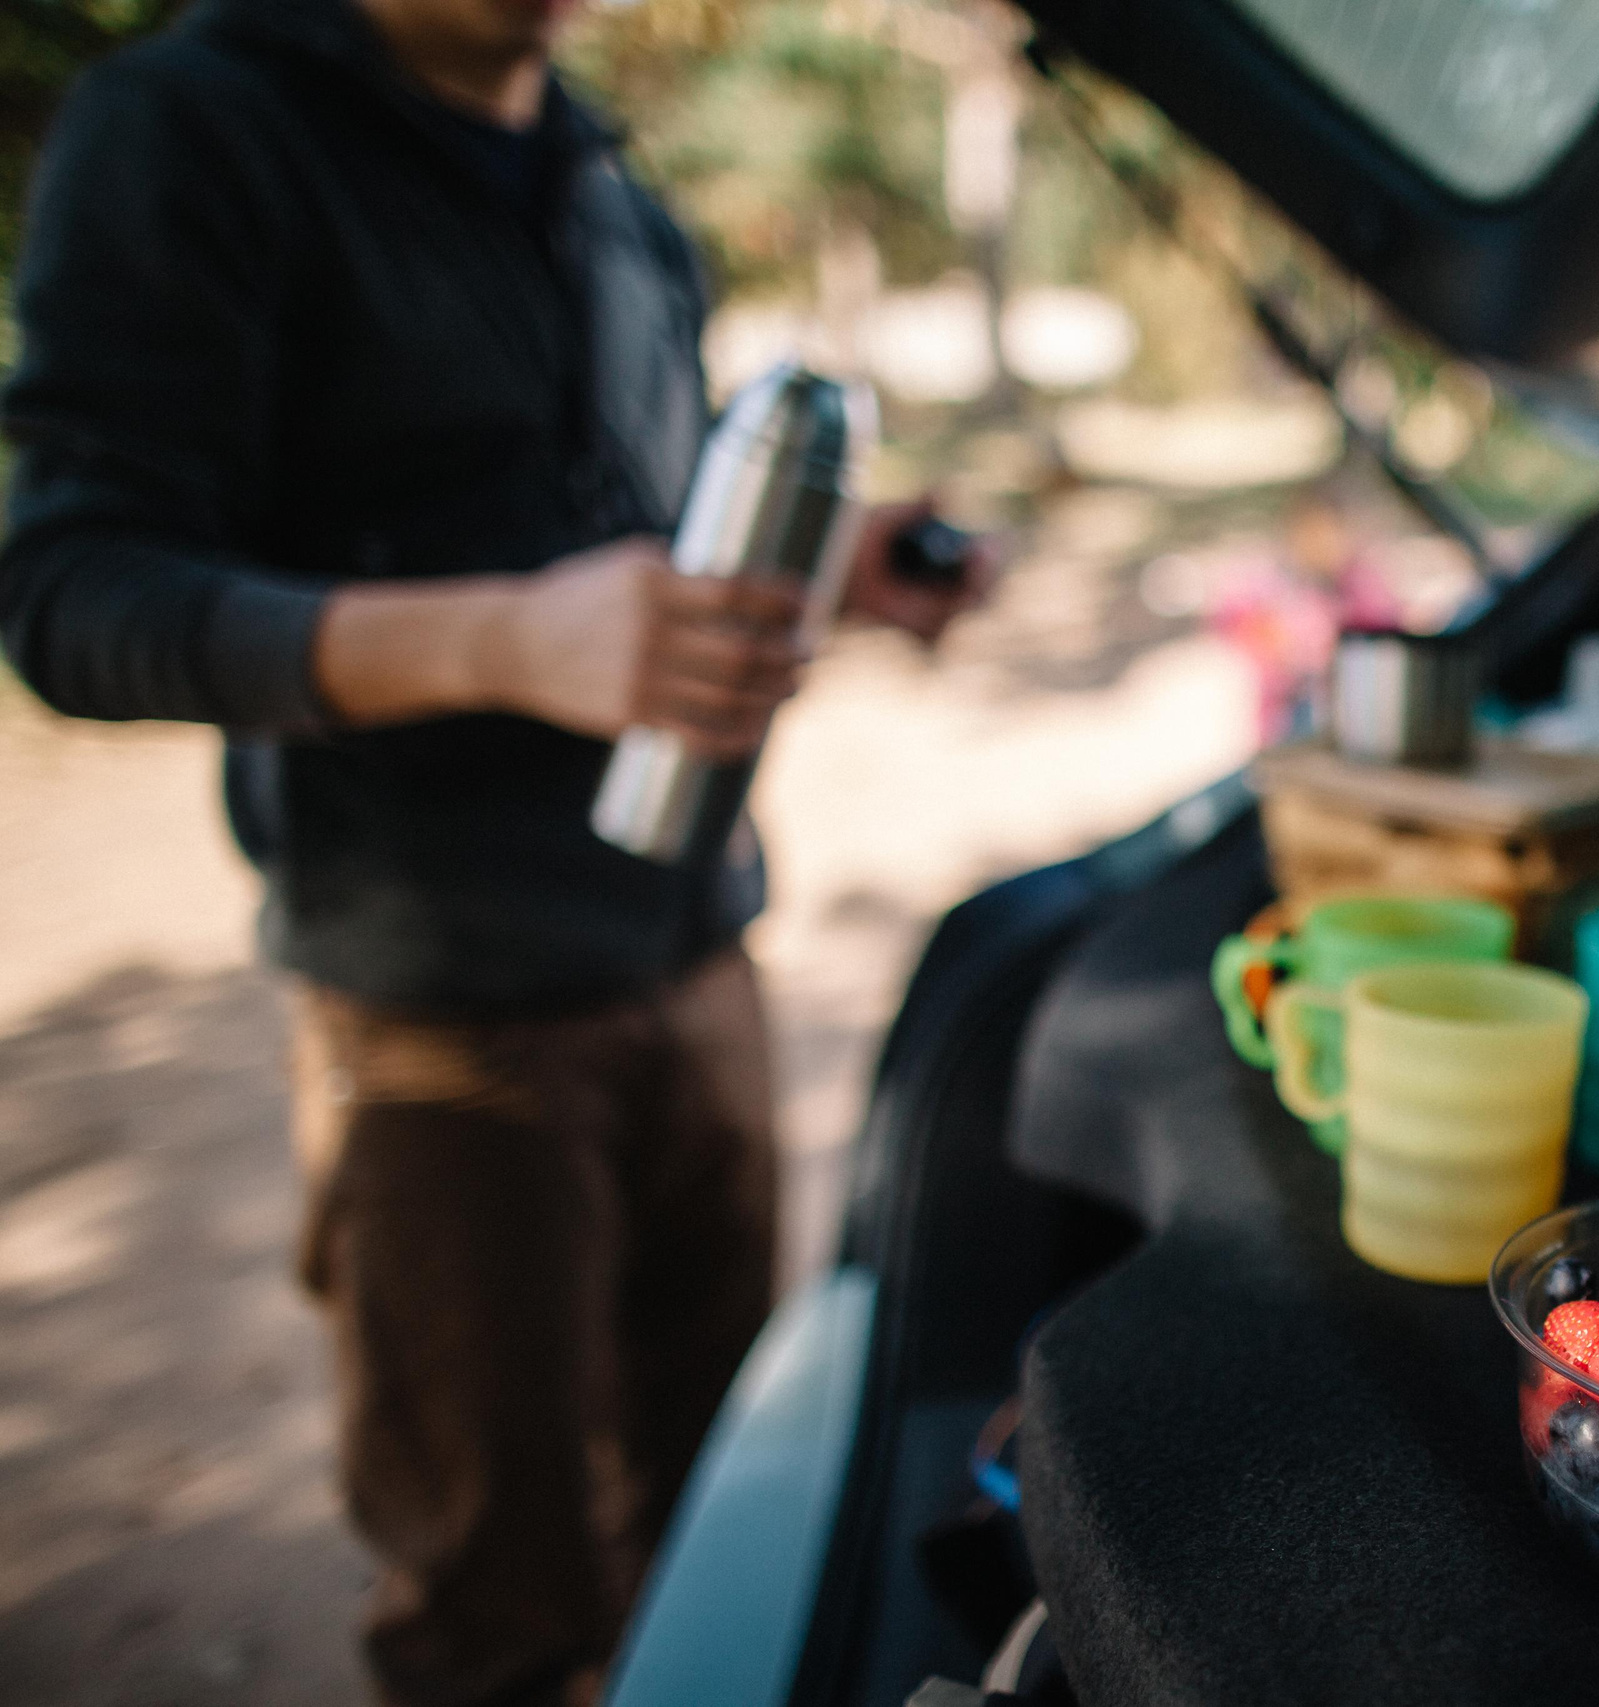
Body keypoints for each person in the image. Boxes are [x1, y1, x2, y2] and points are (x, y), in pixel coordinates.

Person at [0, 0, 984, 1700]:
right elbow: (75, 597)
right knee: (500, 1610)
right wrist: (499, 642)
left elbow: (633, 539)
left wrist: (839, 563)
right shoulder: (187, 127)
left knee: (737, 1518)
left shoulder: (606, 181)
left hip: (697, 956)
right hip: (444, 1027)